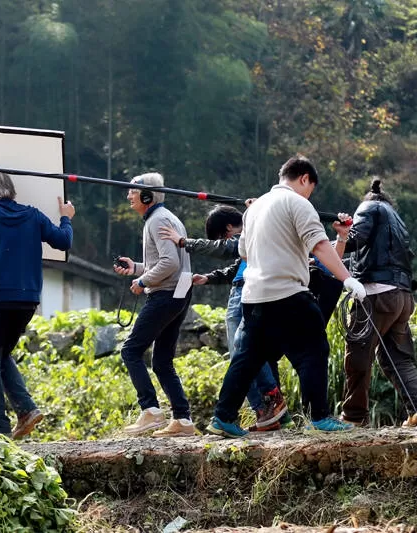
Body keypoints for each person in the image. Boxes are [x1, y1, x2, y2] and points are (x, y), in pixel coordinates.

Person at [207, 156, 366, 438]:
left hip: (253, 297)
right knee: (313, 350)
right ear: (304, 178)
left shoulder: (253, 211)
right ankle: (319, 417)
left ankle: (222, 418)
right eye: (310, 188)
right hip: (288, 293)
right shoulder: (298, 203)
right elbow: (318, 246)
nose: (309, 195)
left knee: (248, 357)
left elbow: (243, 252)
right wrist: (348, 278)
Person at [0, 172, 74, 438]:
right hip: (26, 300)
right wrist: (66, 217)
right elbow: (63, 241)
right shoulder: (33, 216)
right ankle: (26, 410)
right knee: (0, 353)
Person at [161, 205, 289, 432]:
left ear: (229, 228)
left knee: (242, 353)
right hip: (252, 289)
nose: (226, 240)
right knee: (252, 354)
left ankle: (269, 400)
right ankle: (268, 414)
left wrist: (184, 242)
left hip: (246, 292)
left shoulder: (249, 233)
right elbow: (236, 268)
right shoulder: (257, 238)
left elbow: (224, 248)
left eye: (222, 235)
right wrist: (209, 278)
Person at [339, 178, 417, 428]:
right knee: (399, 358)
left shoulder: (367, 209)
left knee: (358, 355)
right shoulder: (396, 219)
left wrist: (340, 234)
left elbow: (355, 240)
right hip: (402, 297)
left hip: (375, 295)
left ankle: (354, 416)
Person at [114, 172, 197, 437]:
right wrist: (136, 268)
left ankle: (150, 410)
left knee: (130, 351)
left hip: (165, 293)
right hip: (179, 291)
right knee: (162, 361)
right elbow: (167, 261)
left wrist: (142, 280)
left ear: (147, 196)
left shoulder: (157, 220)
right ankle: (183, 421)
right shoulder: (165, 217)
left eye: (132, 191)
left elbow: (169, 263)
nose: (128, 195)